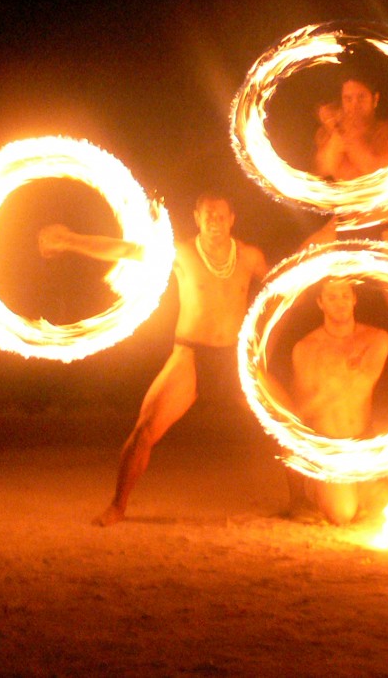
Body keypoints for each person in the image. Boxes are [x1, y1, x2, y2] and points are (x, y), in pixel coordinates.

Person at [38, 194, 269, 527]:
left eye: (220, 215)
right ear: (196, 217)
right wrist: (70, 240)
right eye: (208, 215)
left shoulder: (249, 256)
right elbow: (125, 249)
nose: (214, 221)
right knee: (145, 431)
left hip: (234, 359)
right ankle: (118, 506)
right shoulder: (182, 253)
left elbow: (284, 279)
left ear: (232, 218)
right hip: (191, 354)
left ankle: (302, 501)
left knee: (284, 422)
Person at [289, 278, 388, 525]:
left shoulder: (376, 338)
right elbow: (302, 411)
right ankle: (313, 490)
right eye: (332, 297)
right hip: (328, 445)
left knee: (385, 508)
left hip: (363, 440)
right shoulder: (305, 348)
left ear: (354, 299)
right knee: (343, 513)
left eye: (345, 295)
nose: (340, 303)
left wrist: (331, 383)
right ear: (320, 303)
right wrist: (338, 378)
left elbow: (363, 381)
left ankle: (358, 490)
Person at [304, 71, 388, 247]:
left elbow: (374, 170)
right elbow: (324, 168)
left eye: (361, 97)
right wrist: (336, 129)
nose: (354, 105)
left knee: (382, 274)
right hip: (344, 222)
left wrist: (346, 133)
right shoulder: (329, 134)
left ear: (375, 99)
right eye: (348, 99)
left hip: (381, 226)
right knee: (300, 260)